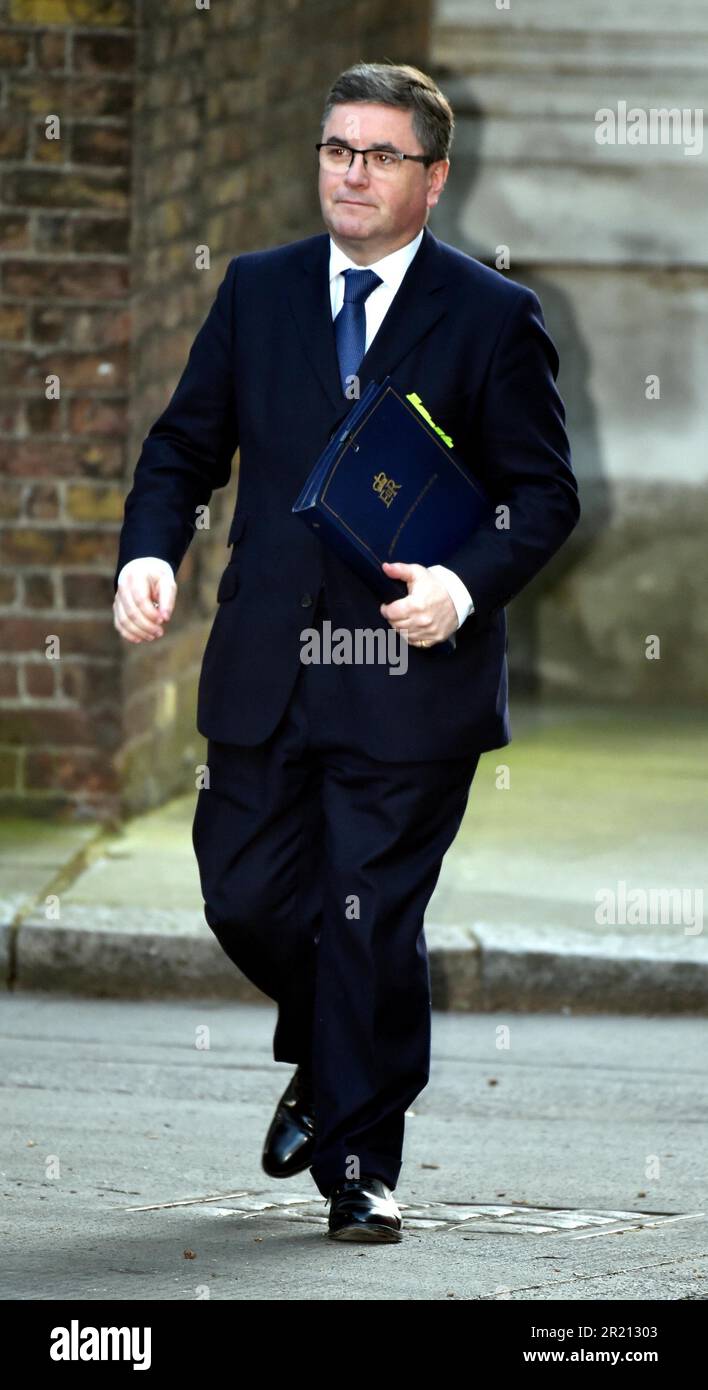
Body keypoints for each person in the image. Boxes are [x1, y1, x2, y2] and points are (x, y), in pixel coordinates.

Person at [113, 61, 580, 1244]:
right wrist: (149, 553)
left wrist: (464, 586)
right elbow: (182, 448)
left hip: (414, 682)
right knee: (247, 899)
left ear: (433, 176)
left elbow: (542, 496)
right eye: (336, 150)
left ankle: (362, 1162)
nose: (351, 173)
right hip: (267, 671)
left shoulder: (492, 317)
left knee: (369, 916)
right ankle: (329, 1061)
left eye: (378, 155)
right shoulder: (258, 292)